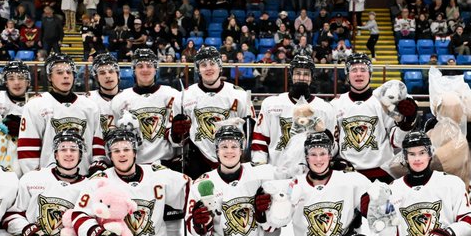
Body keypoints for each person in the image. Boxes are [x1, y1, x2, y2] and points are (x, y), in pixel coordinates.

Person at [329, 53, 418, 183]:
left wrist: (407, 122)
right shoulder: (336, 104)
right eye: (354, 70)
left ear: (370, 74)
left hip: (382, 174)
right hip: (348, 175)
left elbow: (397, 142)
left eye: (363, 70)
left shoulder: (383, 102)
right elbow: (334, 144)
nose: (359, 74)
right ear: (347, 75)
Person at [170, 47, 255, 180]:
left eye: (212, 64)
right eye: (203, 65)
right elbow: (176, 141)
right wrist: (176, 133)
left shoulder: (239, 95)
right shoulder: (185, 96)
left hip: (231, 158)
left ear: (220, 67)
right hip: (197, 160)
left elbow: (251, 133)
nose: (208, 68)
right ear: (198, 69)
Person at [18, 55, 106, 174]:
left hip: (84, 178)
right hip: (49, 180)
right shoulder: (35, 106)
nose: (66, 76)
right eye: (59, 72)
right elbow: (28, 148)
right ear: (49, 77)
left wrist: (96, 171)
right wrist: (35, 178)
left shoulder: (90, 107)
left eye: (69, 72)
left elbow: (97, 145)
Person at [251, 54, 337, 175]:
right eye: (298, 73)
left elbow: (333, 146)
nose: (301, 77)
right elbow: (260, 140)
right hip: (276, 174)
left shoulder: (325, 108)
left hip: (311, 177)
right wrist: (260, 171)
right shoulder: (271, 104)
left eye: (306, 74)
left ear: (312, 77)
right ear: (291, 75)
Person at [110, 48, 181, 167]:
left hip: (166, 164)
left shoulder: (172, 95)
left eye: (149, 65)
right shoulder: (120, 99)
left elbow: (177, 139)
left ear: (155, 69)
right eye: (140, 66)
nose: (145, 69)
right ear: (134, 69)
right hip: (133, 166)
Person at [85, 53, 121, 134]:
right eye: (102, 73)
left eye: (111, 71)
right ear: (96, 77)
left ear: (117, 74)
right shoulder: (88, 100)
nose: (107, 76)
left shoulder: (129, 99)